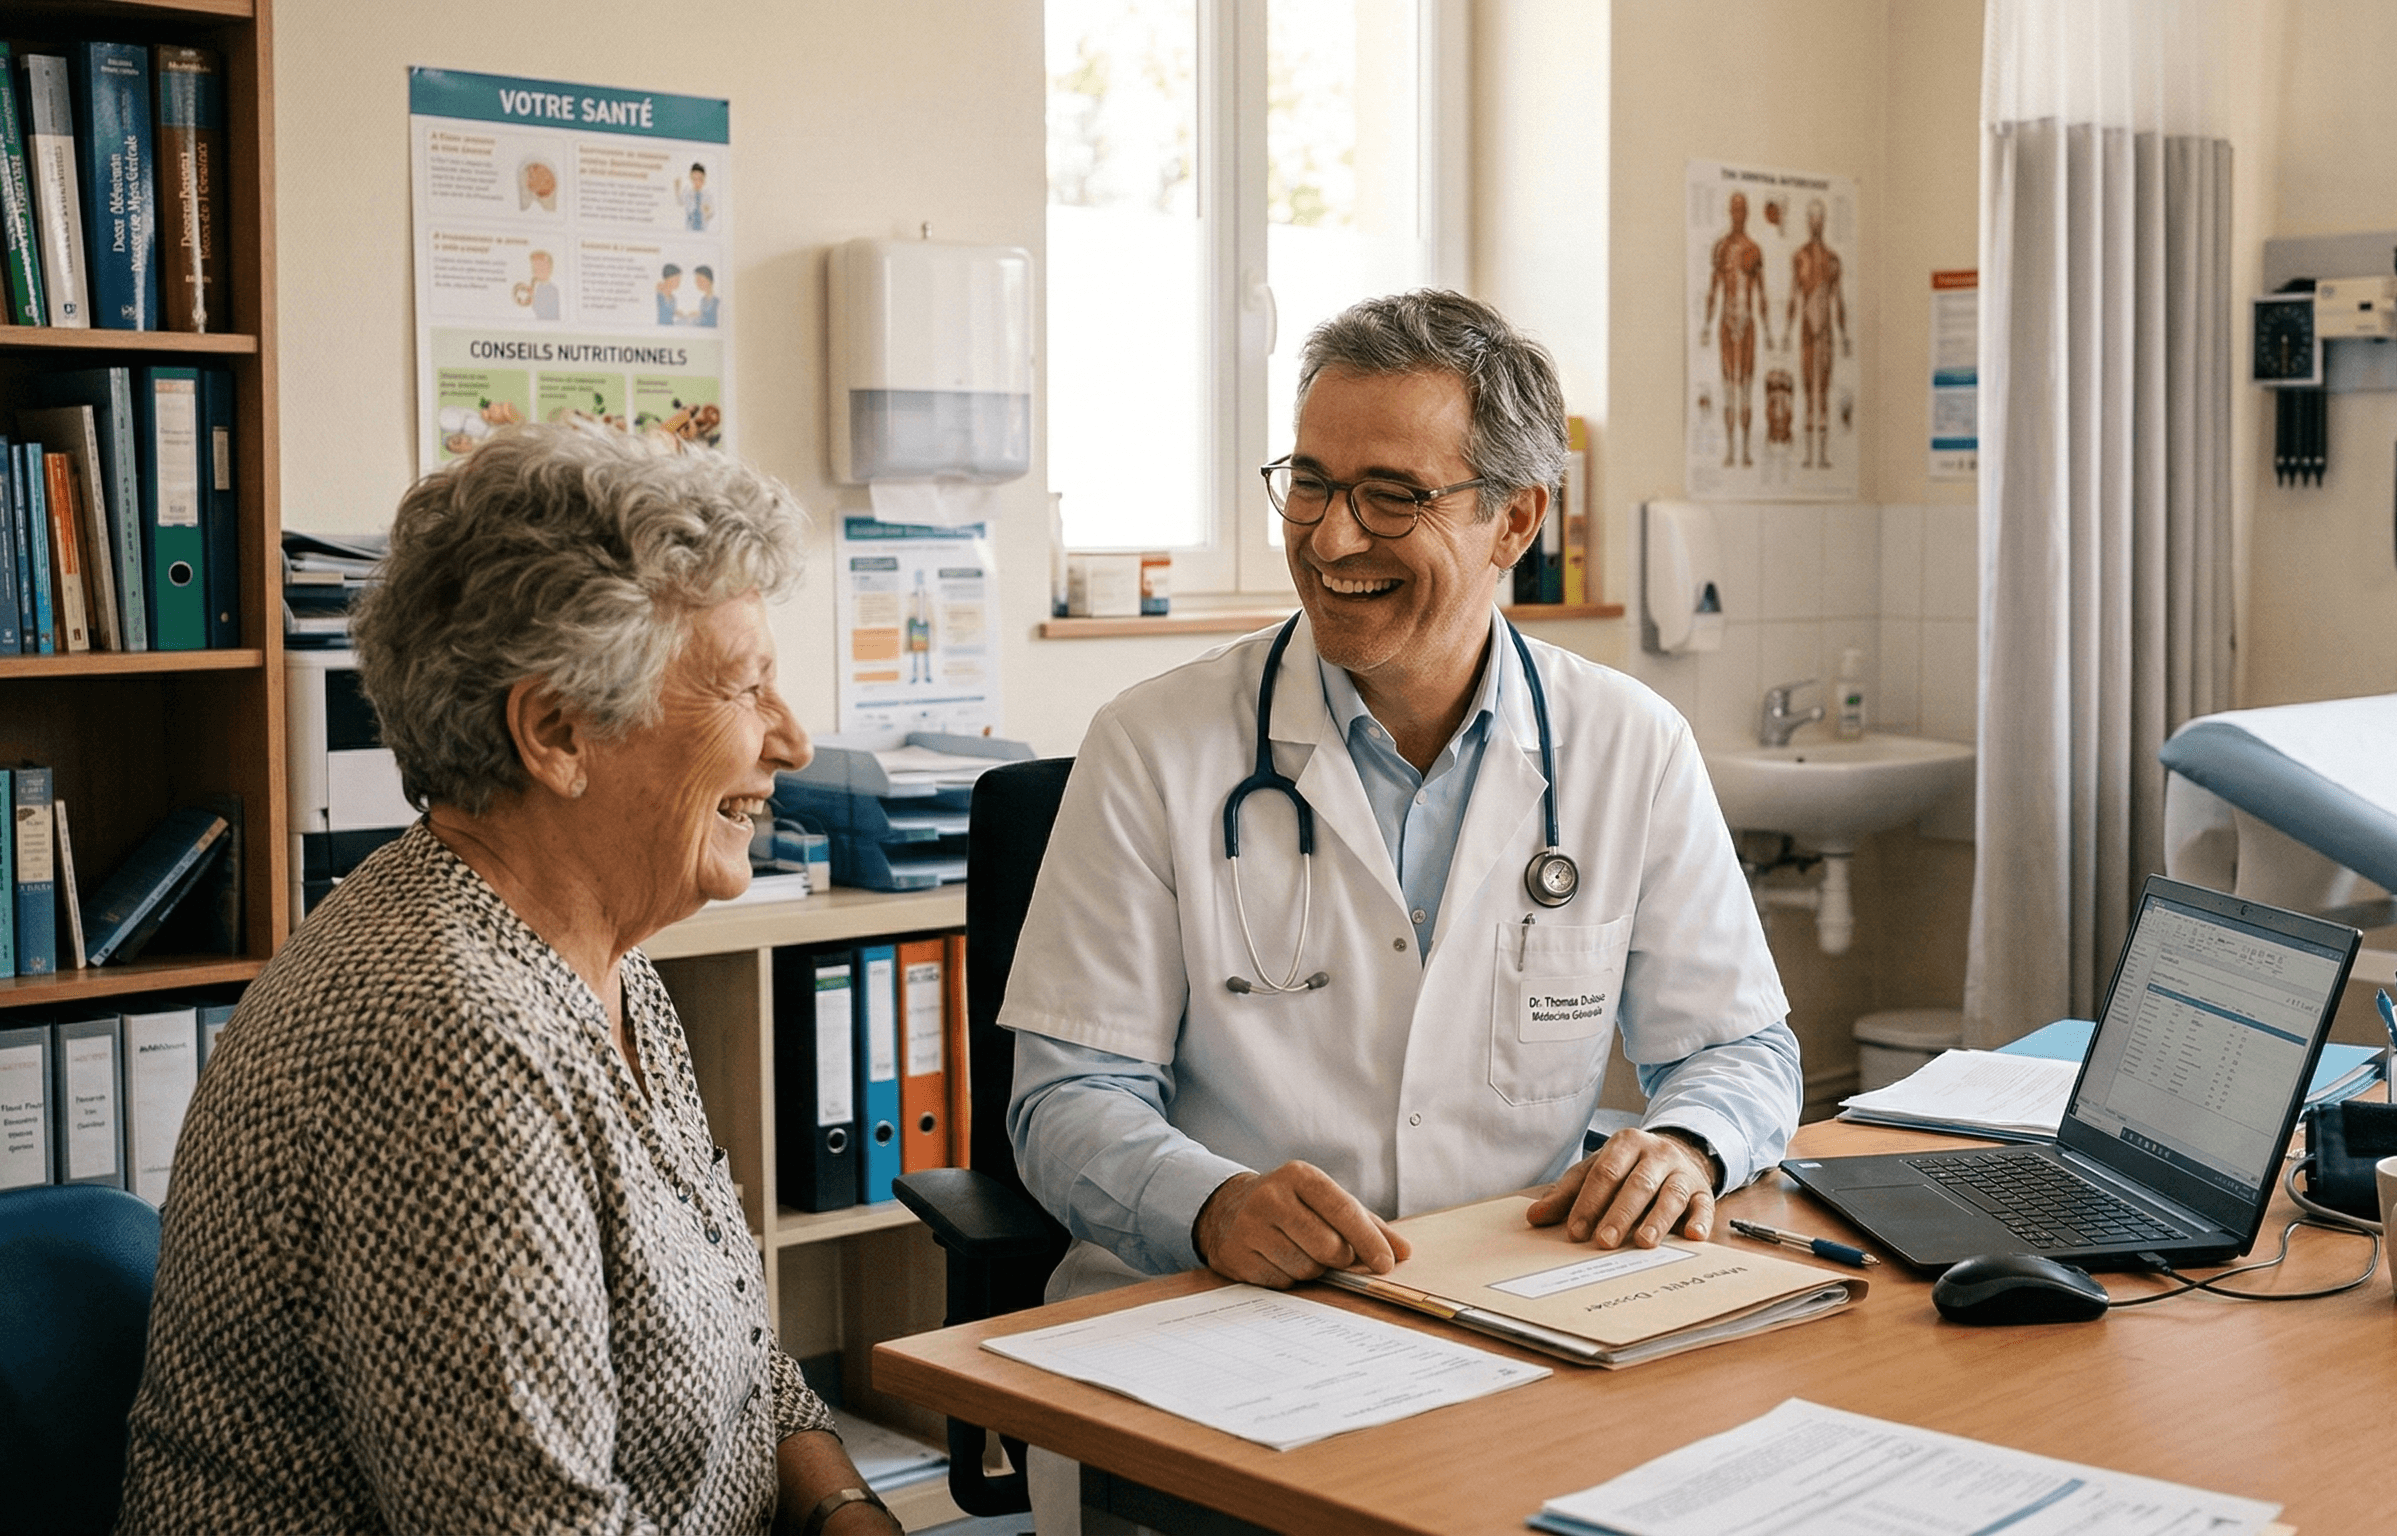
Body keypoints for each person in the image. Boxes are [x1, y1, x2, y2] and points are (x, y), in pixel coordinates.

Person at [1004, 289, 1800, 1521]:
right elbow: (1064, 1103)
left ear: (1514, 520)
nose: (1329, 540)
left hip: (1514, 1329)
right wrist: (1206, 1206)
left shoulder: (1625, 746)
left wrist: (1686, 1143)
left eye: (1391, 495)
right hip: (1216, 1339)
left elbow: (1739, 1046)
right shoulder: (1155, 748)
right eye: (1309, 484)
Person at [117, 427, 904, 1536]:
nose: (794, 741)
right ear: (555, 731)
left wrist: (840, 1506)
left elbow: (732, 1336)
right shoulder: (447, 1041)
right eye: (744, 689)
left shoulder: (600, 962)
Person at [1702, 189, 1773, 467]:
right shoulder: (1721, 248)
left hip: (1748, 322)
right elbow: (1713, 289)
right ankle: (1731, 449)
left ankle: (1745, 450)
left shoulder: (1754, 250)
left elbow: (1762, 293)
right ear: (1730, 212)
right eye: (1735, 209)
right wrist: (1707, 325)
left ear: (1747, 214)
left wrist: (1768, 331)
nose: (1739, 214)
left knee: (1745, 385)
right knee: (1728, 384)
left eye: (1743, 209)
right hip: (1726, 319)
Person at [1785, 197, 1852, 468]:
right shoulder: (1799, 257)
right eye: (1811, 217)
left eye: (1819, 217)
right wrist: (1786, 332)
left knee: (1822, 392)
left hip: (1825, 333)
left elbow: (1839, 300)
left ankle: (1821, 455)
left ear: (1824, 221)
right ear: (1807, 221)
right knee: (1806, 390)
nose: (1815, 222)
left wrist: (1844, 334)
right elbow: (1793, 295)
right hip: (1805, 331)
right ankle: (1808, 454)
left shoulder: (1833, 260)